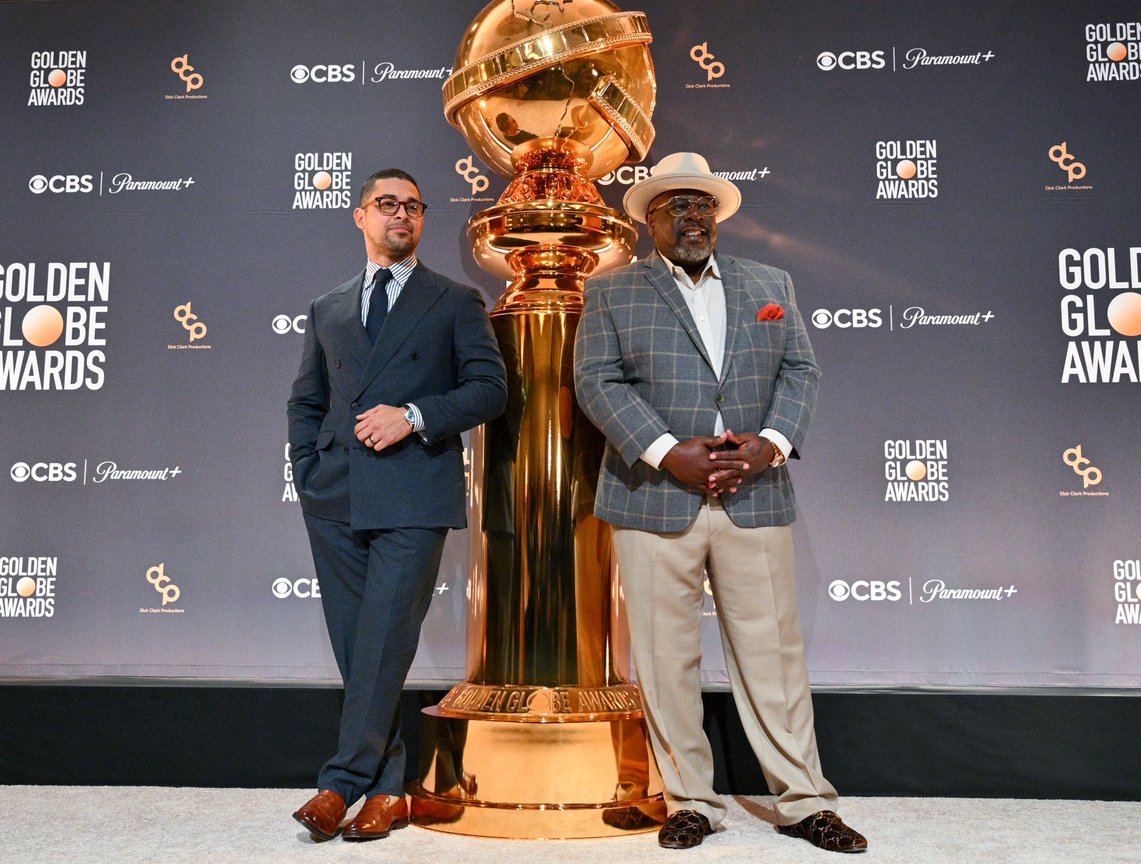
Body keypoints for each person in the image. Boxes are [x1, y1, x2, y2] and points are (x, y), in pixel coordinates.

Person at [574, 152, 867, 853]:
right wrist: (668, 451)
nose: (692, 216)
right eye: (675, 206)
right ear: (649, 220)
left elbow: (801, 370)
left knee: (773, 656)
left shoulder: (771, 283)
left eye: (702, 205)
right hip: (653, 497)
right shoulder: (612, 290)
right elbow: (597, 381)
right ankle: (690, 801)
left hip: (754, 493)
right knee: (665, 657)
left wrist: (768, 444)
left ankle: (803, 801)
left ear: (718, 216)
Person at [287, 168, 506, 842]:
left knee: (383, 638)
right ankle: (386, 791)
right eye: (387, 205)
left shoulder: (453, 299)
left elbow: (489, 389)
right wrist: (309, 469)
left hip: (413, 489)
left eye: (413, 206)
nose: (400, 216)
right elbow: (307, 399)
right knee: (359, 649)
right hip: (335, 493)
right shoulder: (328, 306)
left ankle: (339, 781)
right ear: (360, 216)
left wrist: (413, 414)